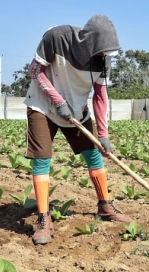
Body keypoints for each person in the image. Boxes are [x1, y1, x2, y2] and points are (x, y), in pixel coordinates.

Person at [23, 15, 128, 245]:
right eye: (101, 52)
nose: (104, 56)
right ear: (90, 43)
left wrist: (103, 134)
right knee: (42, 160)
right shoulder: (56, 38)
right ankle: (43, 218)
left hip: (77, 111)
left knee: (94, 156)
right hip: (43, 105)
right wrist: (58, 101)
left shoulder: (103, 60)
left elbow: (100, 96)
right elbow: (34, 71)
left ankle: (104, 206)